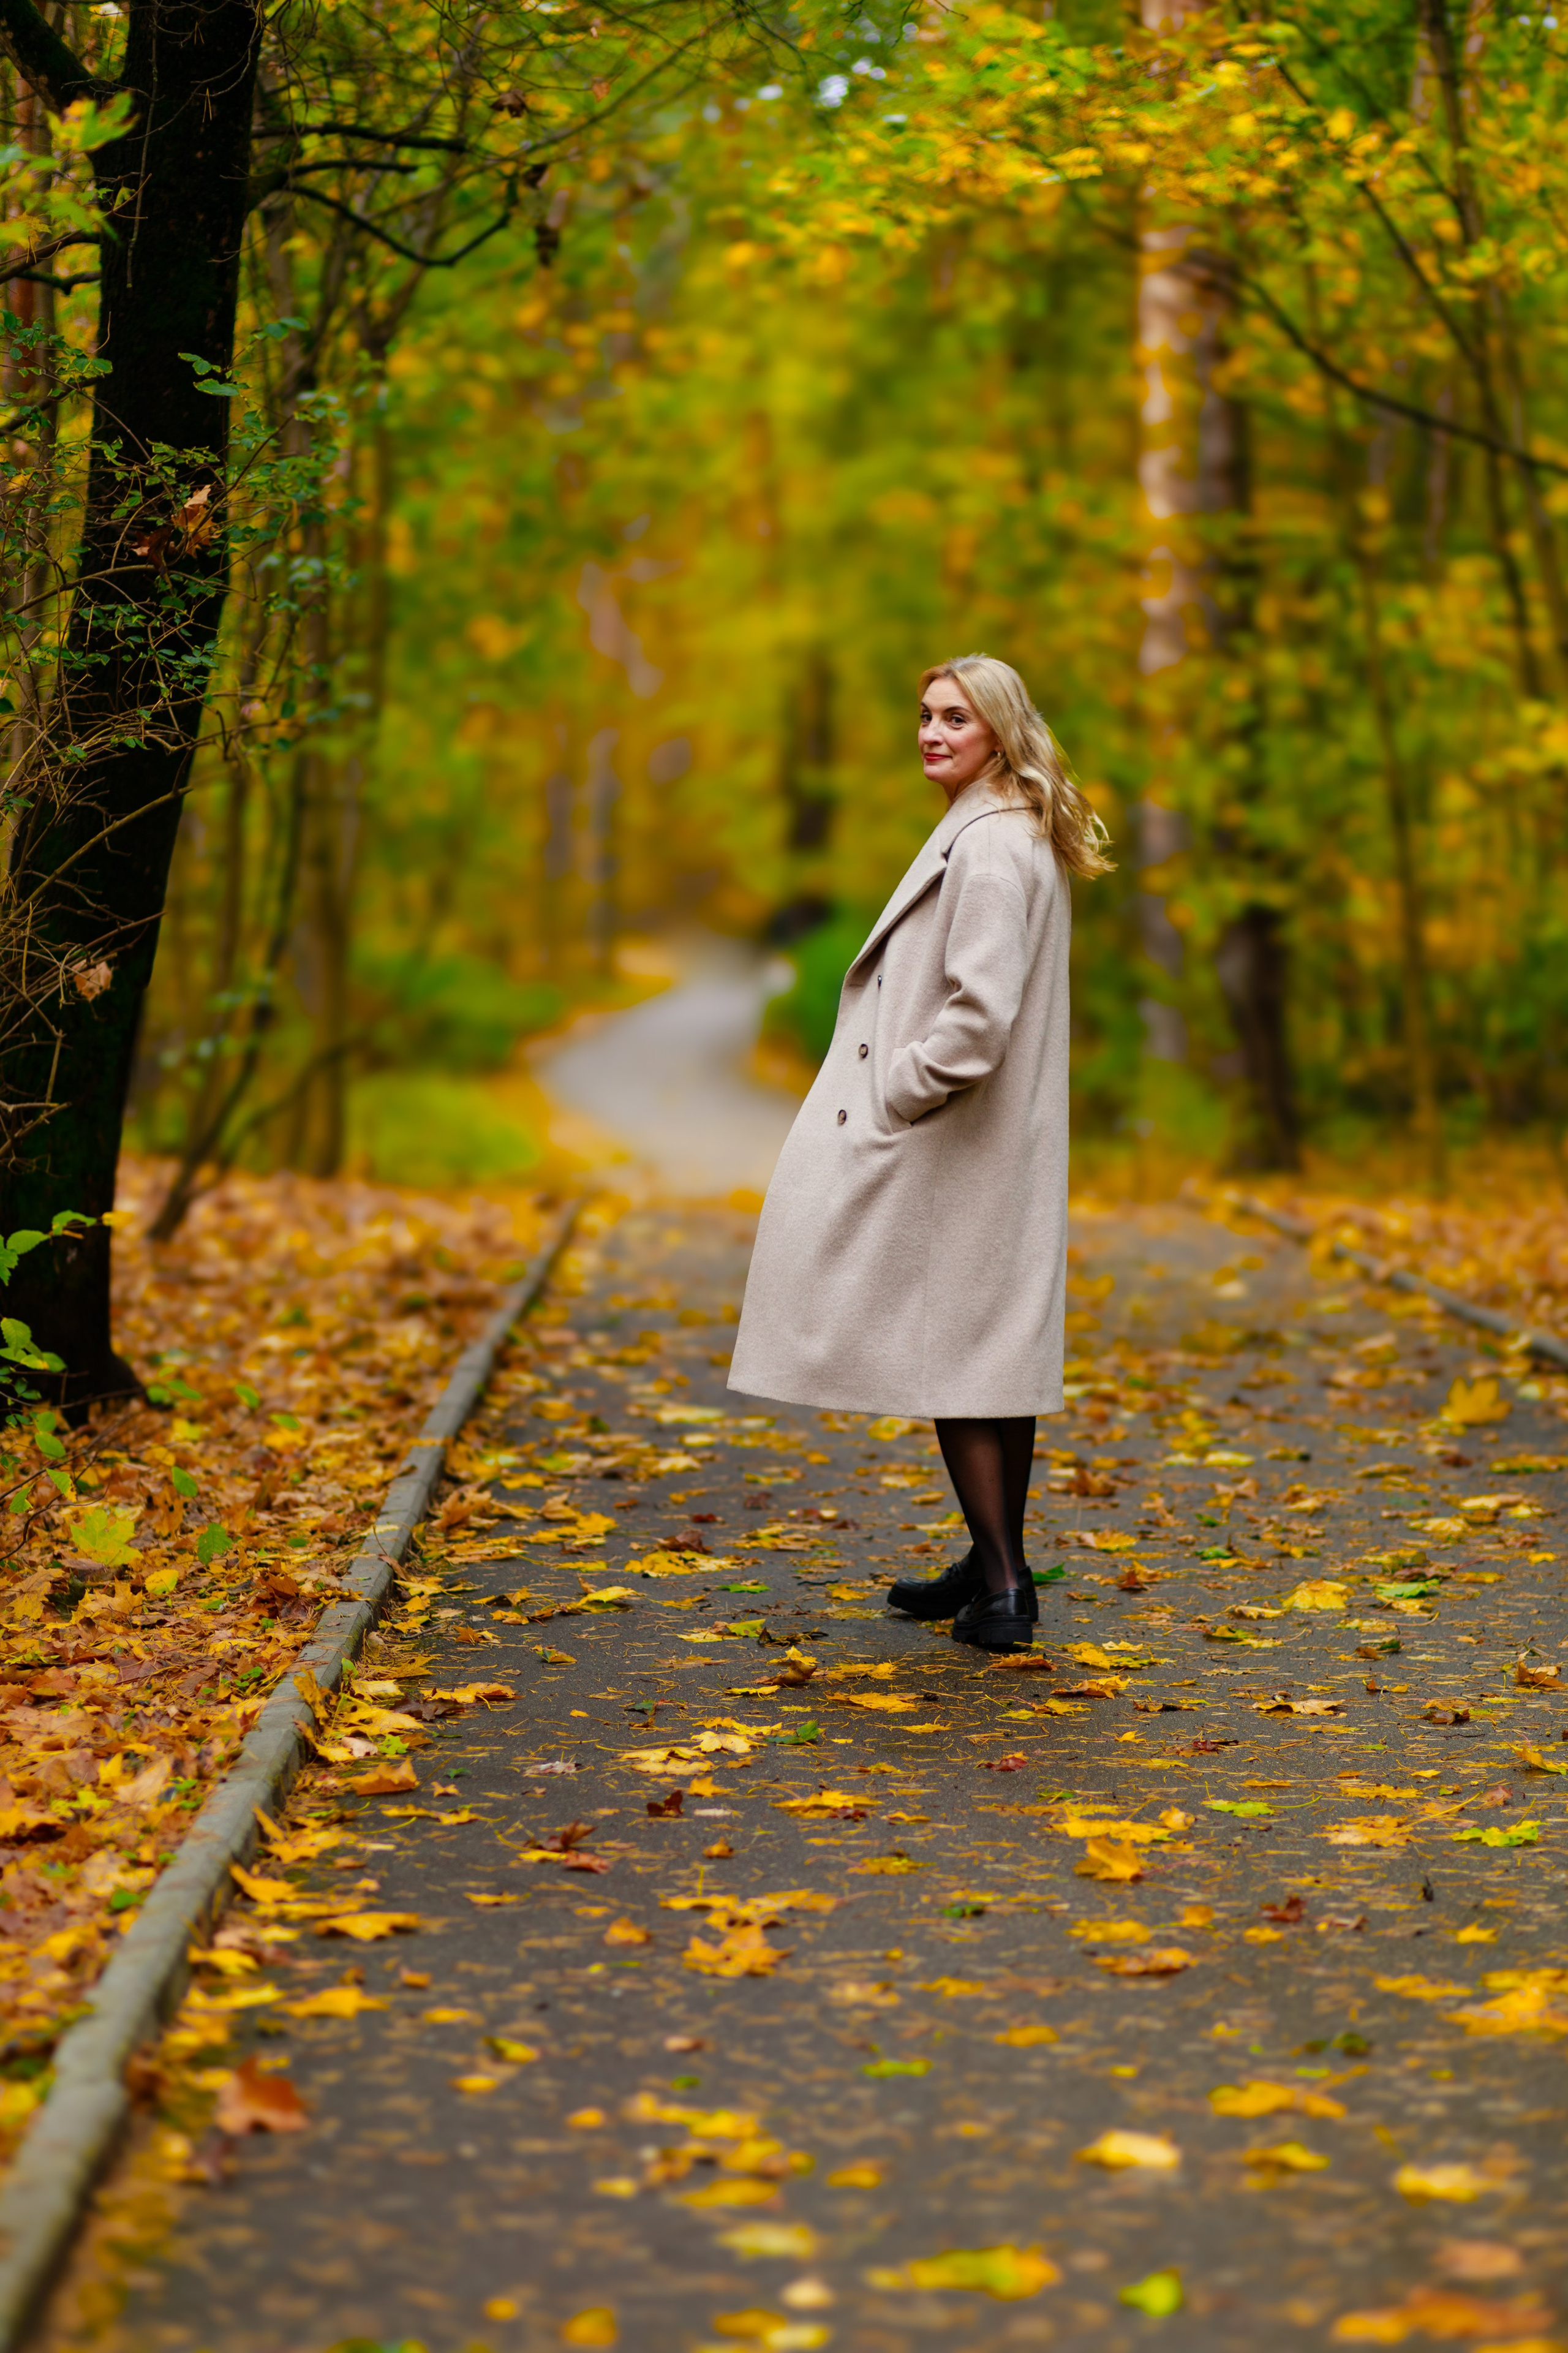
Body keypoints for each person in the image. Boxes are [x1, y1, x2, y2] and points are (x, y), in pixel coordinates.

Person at [728, 654, 1111, 1651]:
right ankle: (992, 1563)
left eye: (957, 718)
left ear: (1000, 732)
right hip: (990, 1146)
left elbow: (977, 1021)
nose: (933, 733)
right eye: (928, 714)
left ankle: (1006, 1586)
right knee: (991, 1357)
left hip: (954, 1141)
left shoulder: (987, 848)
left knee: (956, 1362)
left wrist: (898, 1088)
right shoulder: (1015, 831)